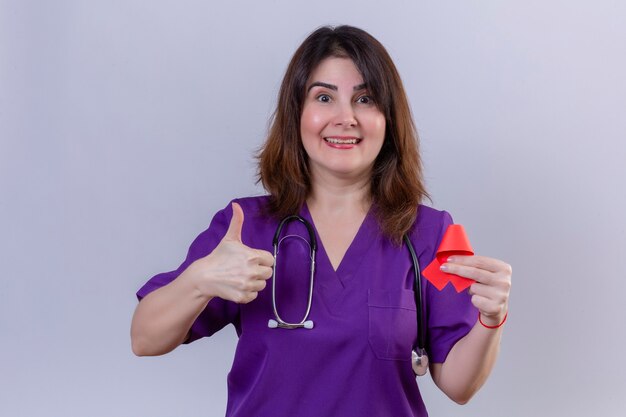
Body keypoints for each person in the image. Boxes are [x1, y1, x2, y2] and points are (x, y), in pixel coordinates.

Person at [131, 25, 512, 417]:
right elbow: (144, 337)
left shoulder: (431, 234)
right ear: (297, 112)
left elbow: (459, 385)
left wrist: (491, 319)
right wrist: (200, 280)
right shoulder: (245, 227)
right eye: (324, 97)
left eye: (365, 99)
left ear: (389, 118)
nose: (345, 117)